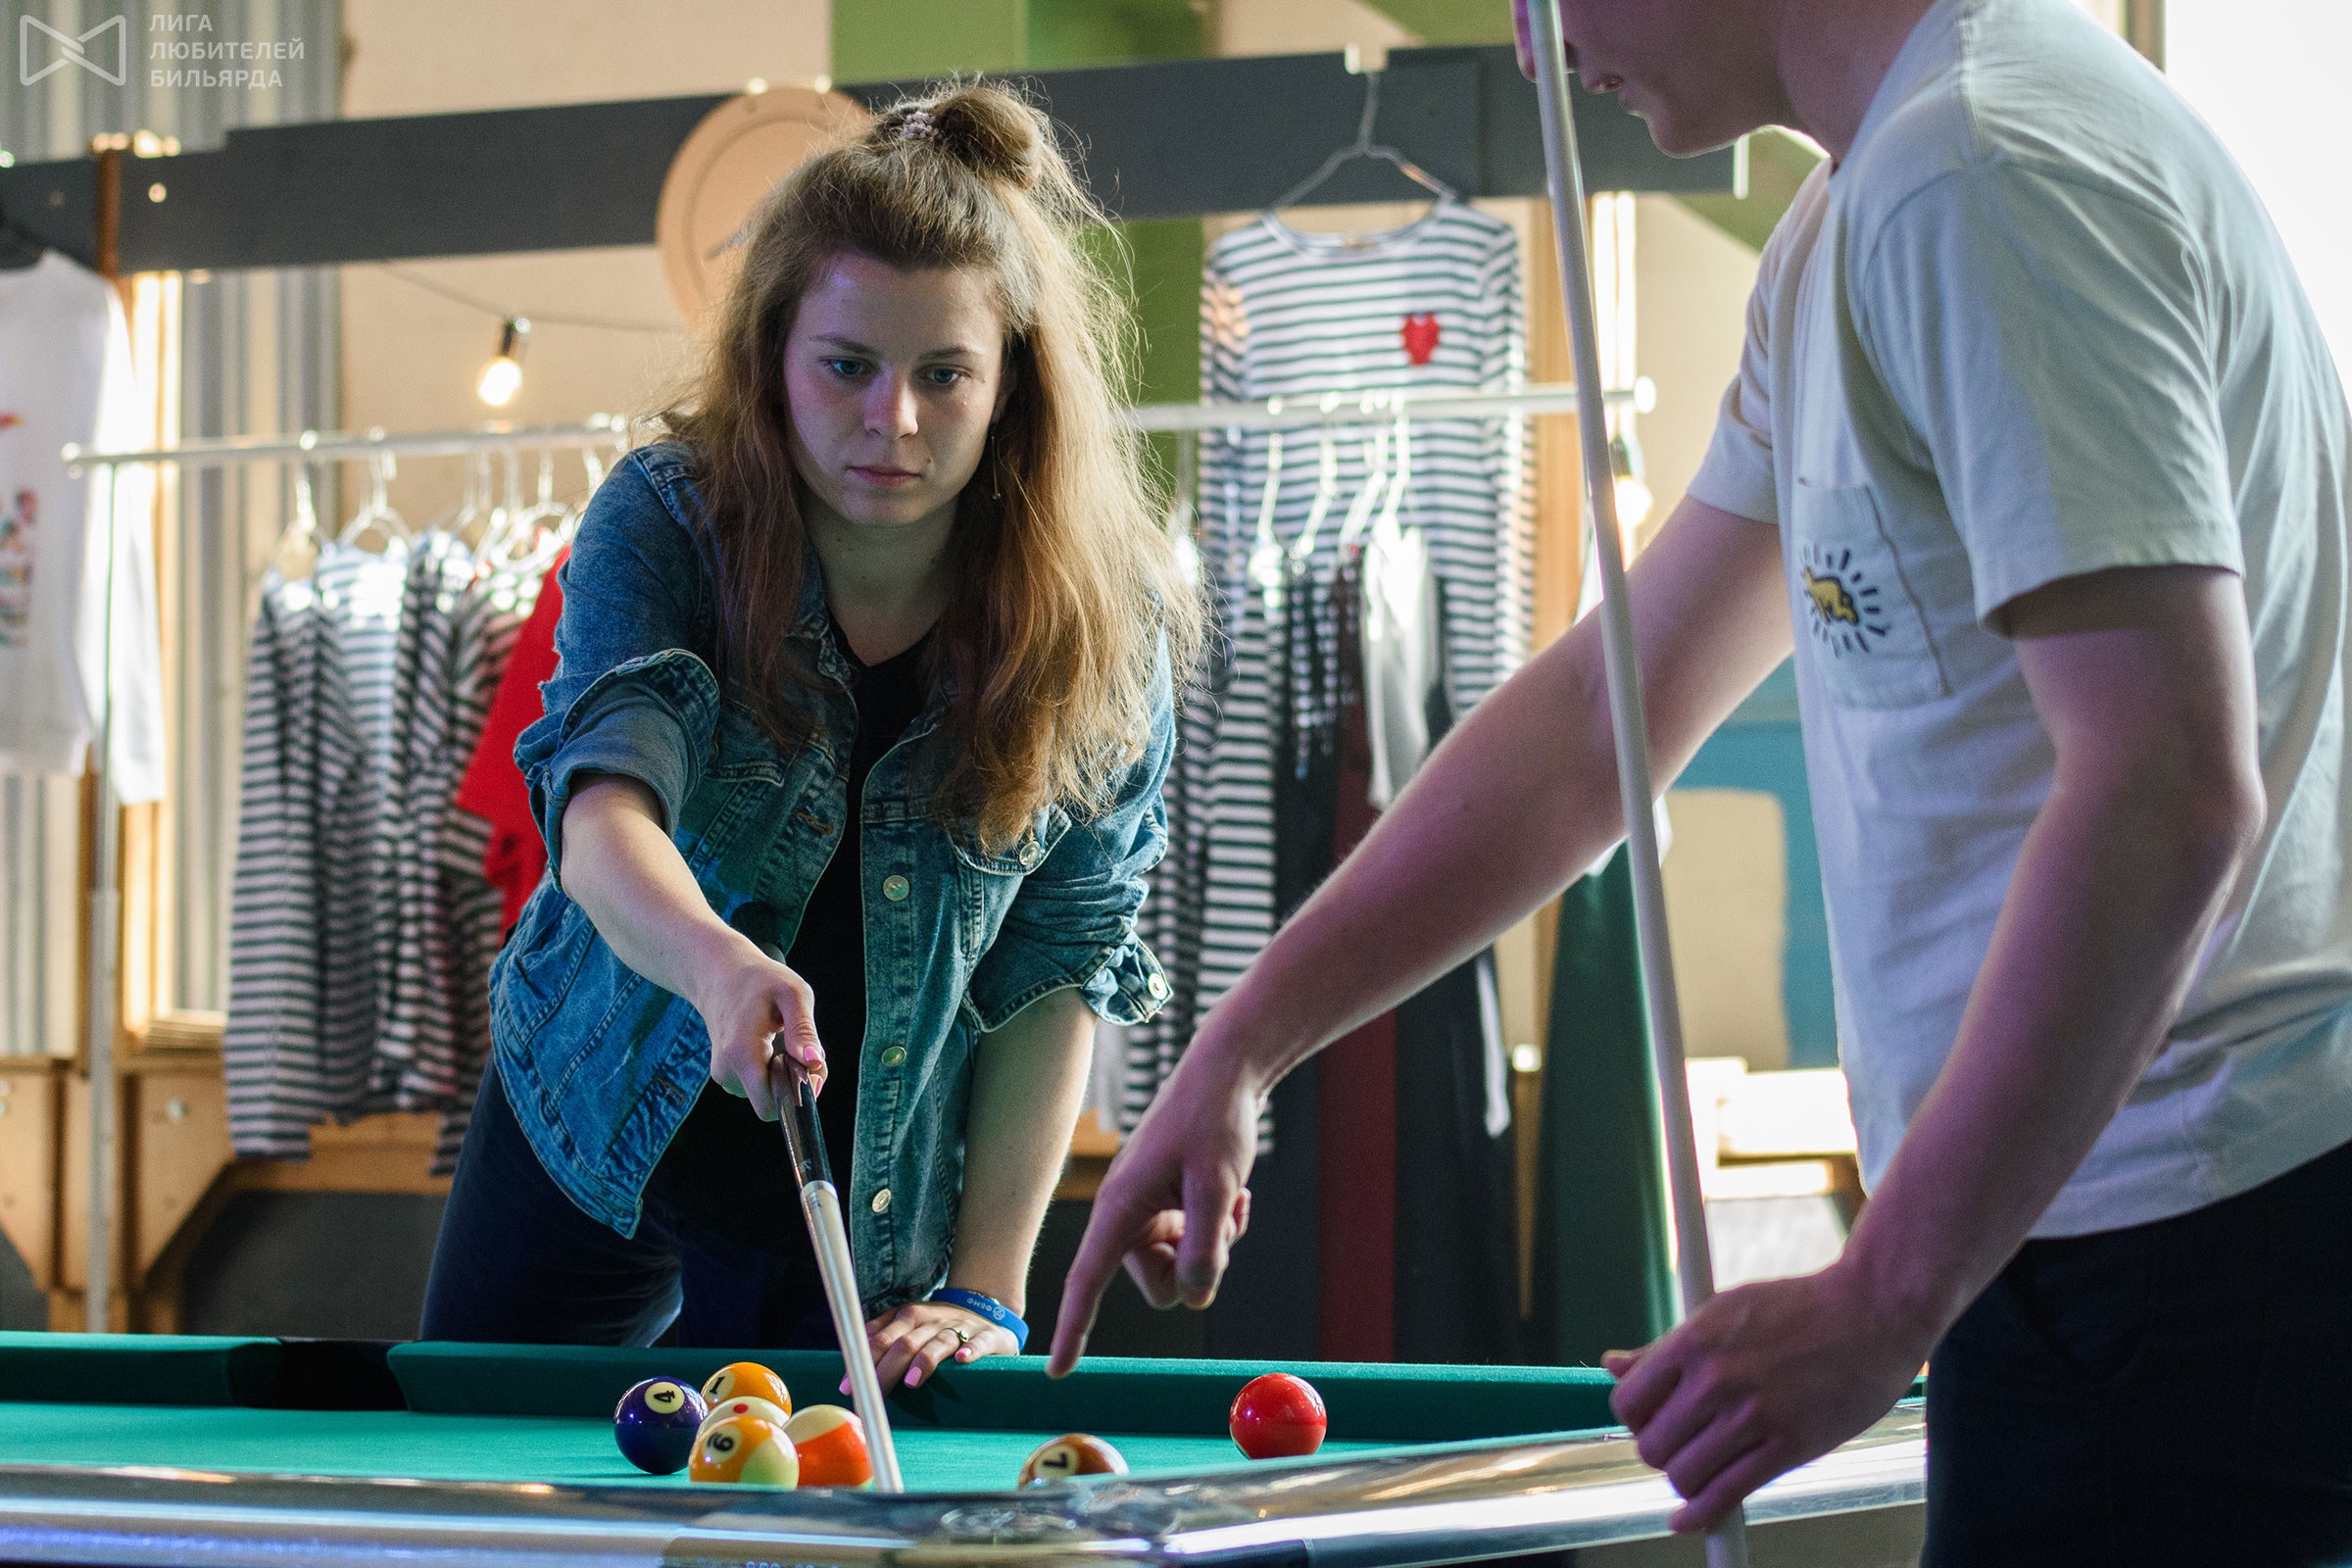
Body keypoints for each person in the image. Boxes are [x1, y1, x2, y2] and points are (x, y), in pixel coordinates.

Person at [1049, 0, 2352, 1560]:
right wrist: (1245, 1045)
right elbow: (1602, 716)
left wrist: (1882, 1292)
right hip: (2099, 1240)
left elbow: (2170, 784)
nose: (1533, 47)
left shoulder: (1977, 170)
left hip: (2181, 1254)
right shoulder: (1858, 216)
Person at [420, 82, 1198, 1392]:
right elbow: (602, 808)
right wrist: (720, 967)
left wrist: (988, 1289)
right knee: (475, 1465)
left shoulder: (1102, 616)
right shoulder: (670, 517)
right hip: (588, 1104)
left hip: (863, 1184)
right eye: (847, 366)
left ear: (1009, 383)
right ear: (774, 357)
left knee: (801, 1494)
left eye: (944, 374)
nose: (893, 420)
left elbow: (1061, 958)